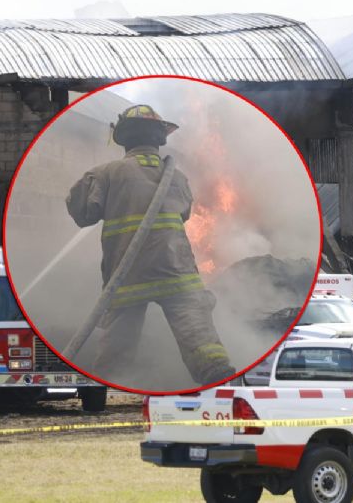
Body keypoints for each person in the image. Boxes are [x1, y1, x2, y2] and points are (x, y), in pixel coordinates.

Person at [66, 105, 235, 386]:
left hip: (126, 274)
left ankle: (107, 388)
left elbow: (83, 214)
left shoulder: (106, 173)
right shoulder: (177, 178)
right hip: (176, 271)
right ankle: (218, 381)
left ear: (124, 139)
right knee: (201, 338)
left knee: (116, 349)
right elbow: (184, 213)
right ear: (159, 139)